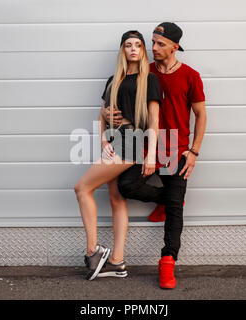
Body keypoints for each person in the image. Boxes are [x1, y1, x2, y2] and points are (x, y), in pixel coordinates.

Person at [101, 22, 207, 289]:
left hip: (176, 149)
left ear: (175, 46)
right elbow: (120, 98)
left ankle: (168, 262)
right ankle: (169, 201)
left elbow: (201, 115)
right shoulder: (145, 74)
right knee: (127, 186)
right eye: (153, 42)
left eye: (160, 43)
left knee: (173, 212)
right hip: (144, 147)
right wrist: (106, 114)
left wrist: (194, 151)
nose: (154, 48)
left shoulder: (190, 75)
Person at [74, 30, 162, 280]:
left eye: (138, 45)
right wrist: (103, 139)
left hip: (131, 143)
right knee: (116, 199)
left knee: (82, 188)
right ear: (122, 50)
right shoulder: (114, 80)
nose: (133, 49)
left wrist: (151, 155)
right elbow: (101, 114)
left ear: (143, 50)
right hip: (114, 142)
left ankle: (93, 252)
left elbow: (154, 121)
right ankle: (117, 262)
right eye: (128, 45)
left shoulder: (150, 80)